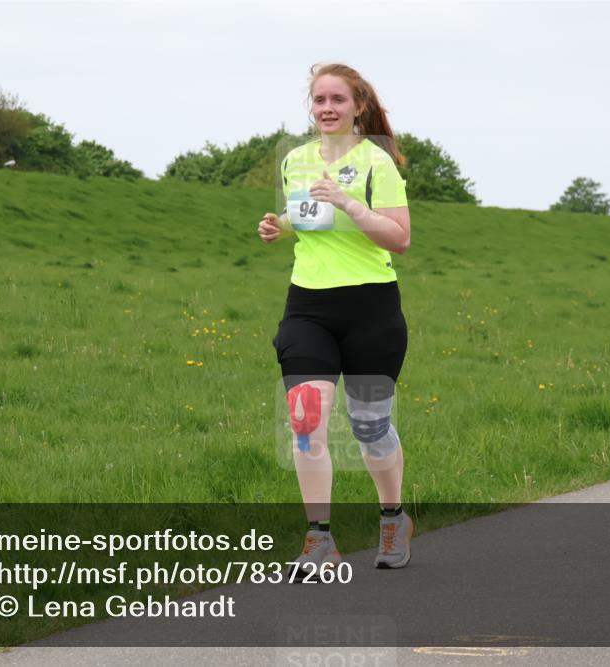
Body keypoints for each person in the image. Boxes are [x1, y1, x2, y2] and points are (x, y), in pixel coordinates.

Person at [257, 63, 413, 577]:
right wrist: (278, 226)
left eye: (337, 100)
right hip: (309, 306)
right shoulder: (297, 161)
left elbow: (400, 239)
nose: (327, 108)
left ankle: (392, 516)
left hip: (371, 307)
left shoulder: (378, 163)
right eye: (319, 100)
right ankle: (319, 537)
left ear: (358, 107)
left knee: (370, 428)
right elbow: (306, 219)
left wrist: (349, 202)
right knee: (305, 420)